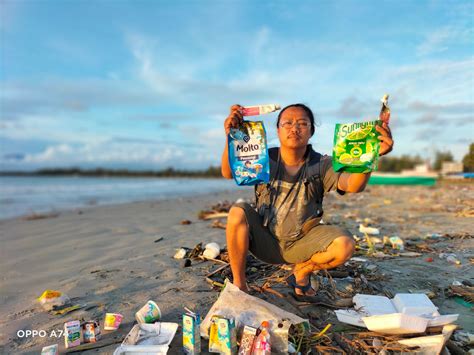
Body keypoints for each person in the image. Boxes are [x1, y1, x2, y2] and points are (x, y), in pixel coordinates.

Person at [221, 104, 394, 296]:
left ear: (311, 131)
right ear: (278, 130)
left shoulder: (321, 164)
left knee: (345, 245)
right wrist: (231, 137)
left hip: (304, 244)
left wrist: (370, 156)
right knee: (238, 211)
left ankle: (301, 272)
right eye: (287, 123)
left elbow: (353, 185)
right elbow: (228, 173)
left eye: (302, 123)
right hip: (264, 240)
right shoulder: (263, 159)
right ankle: (240, 285)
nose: (294, 128)